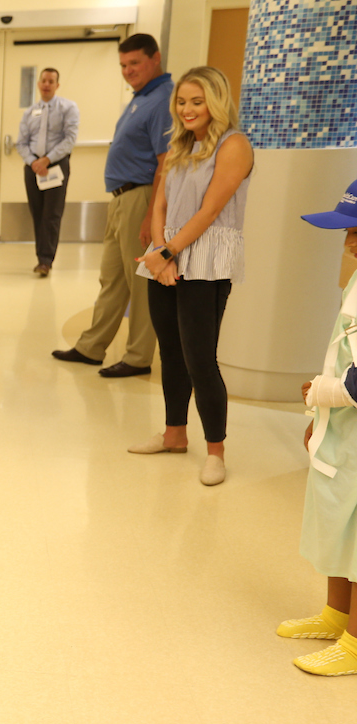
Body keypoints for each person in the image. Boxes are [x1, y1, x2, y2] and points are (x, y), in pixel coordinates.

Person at [127, 67, 253, 486]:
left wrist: (167, 252)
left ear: (216, 102)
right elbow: (161, 199)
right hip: (168, 258)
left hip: (205, 262)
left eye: (197, 102)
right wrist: (162, 254)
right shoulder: (179, 144)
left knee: (200, 358)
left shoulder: (234, 145)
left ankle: (215, 450)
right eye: (182, 102)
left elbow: (210, 210)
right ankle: (174, 435)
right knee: (171, 352)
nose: (187, 110)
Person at [52, 33, 173, 378]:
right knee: (112, 278)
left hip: (142, 197)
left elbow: (166, 162)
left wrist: (152, 217)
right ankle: (92, 347)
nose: (128, 71)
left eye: (135, 63)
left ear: (155, 58)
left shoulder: (163, 98)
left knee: (139, 281)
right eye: (123, 65)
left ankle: (137, 357)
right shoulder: (142, 97)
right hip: (121, 198)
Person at [279, 178, 357, 675]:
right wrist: (320, 419)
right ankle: (335, 614)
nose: (347, 243)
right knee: (335, 523)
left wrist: (319, 394)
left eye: (354, 232)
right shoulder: (355, 282)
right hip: (343, 432)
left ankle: (353, 642)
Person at [17, 68, 80, 278]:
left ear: (57, 85)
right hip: (33, 166)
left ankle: (46, 260)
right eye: (43, 80)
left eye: (51, 81)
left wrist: (47, 159)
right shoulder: (30, 112)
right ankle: (40, 257)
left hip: (56, 166)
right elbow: (22, 142)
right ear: (39, 83)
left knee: (51, 215)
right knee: (37, 213)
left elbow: (69, 139)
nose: (46, 84)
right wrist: (33, 162)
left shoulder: (68, 108)